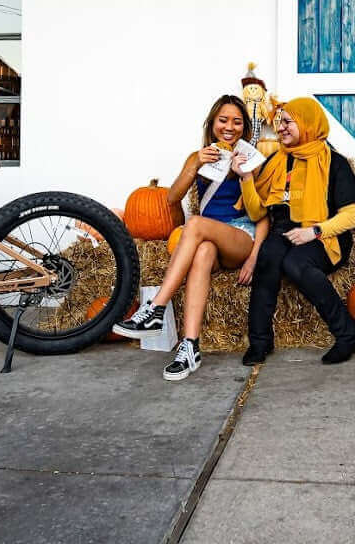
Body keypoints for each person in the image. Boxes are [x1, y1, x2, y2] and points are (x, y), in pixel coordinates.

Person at [113, 95, 268, 381]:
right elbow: (172, 198)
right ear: (212, 124)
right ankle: (190, 346)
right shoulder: (199, 156)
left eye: (237, 122)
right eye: (223, 120)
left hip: (240, 237)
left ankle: (157, 307)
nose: (229, 127)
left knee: (195, 224)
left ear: (245, 128)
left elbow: (263, 215)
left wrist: (255, 258)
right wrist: (194, 164)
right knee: (203, 252)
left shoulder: (252, 158)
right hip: (211, 237)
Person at [238, 97, 355, 366]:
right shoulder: (277, 161)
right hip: (284, 229)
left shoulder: (334, 163)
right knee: (268, 258)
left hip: (325, 233)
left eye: (287, 122)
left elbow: (351, 218)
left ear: (307, 123)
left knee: (296, 263)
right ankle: (260, 342)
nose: (280, 127)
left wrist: (314, 232)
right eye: (278, 122)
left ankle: (347, 334)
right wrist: (247, 179)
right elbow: (258, 213)